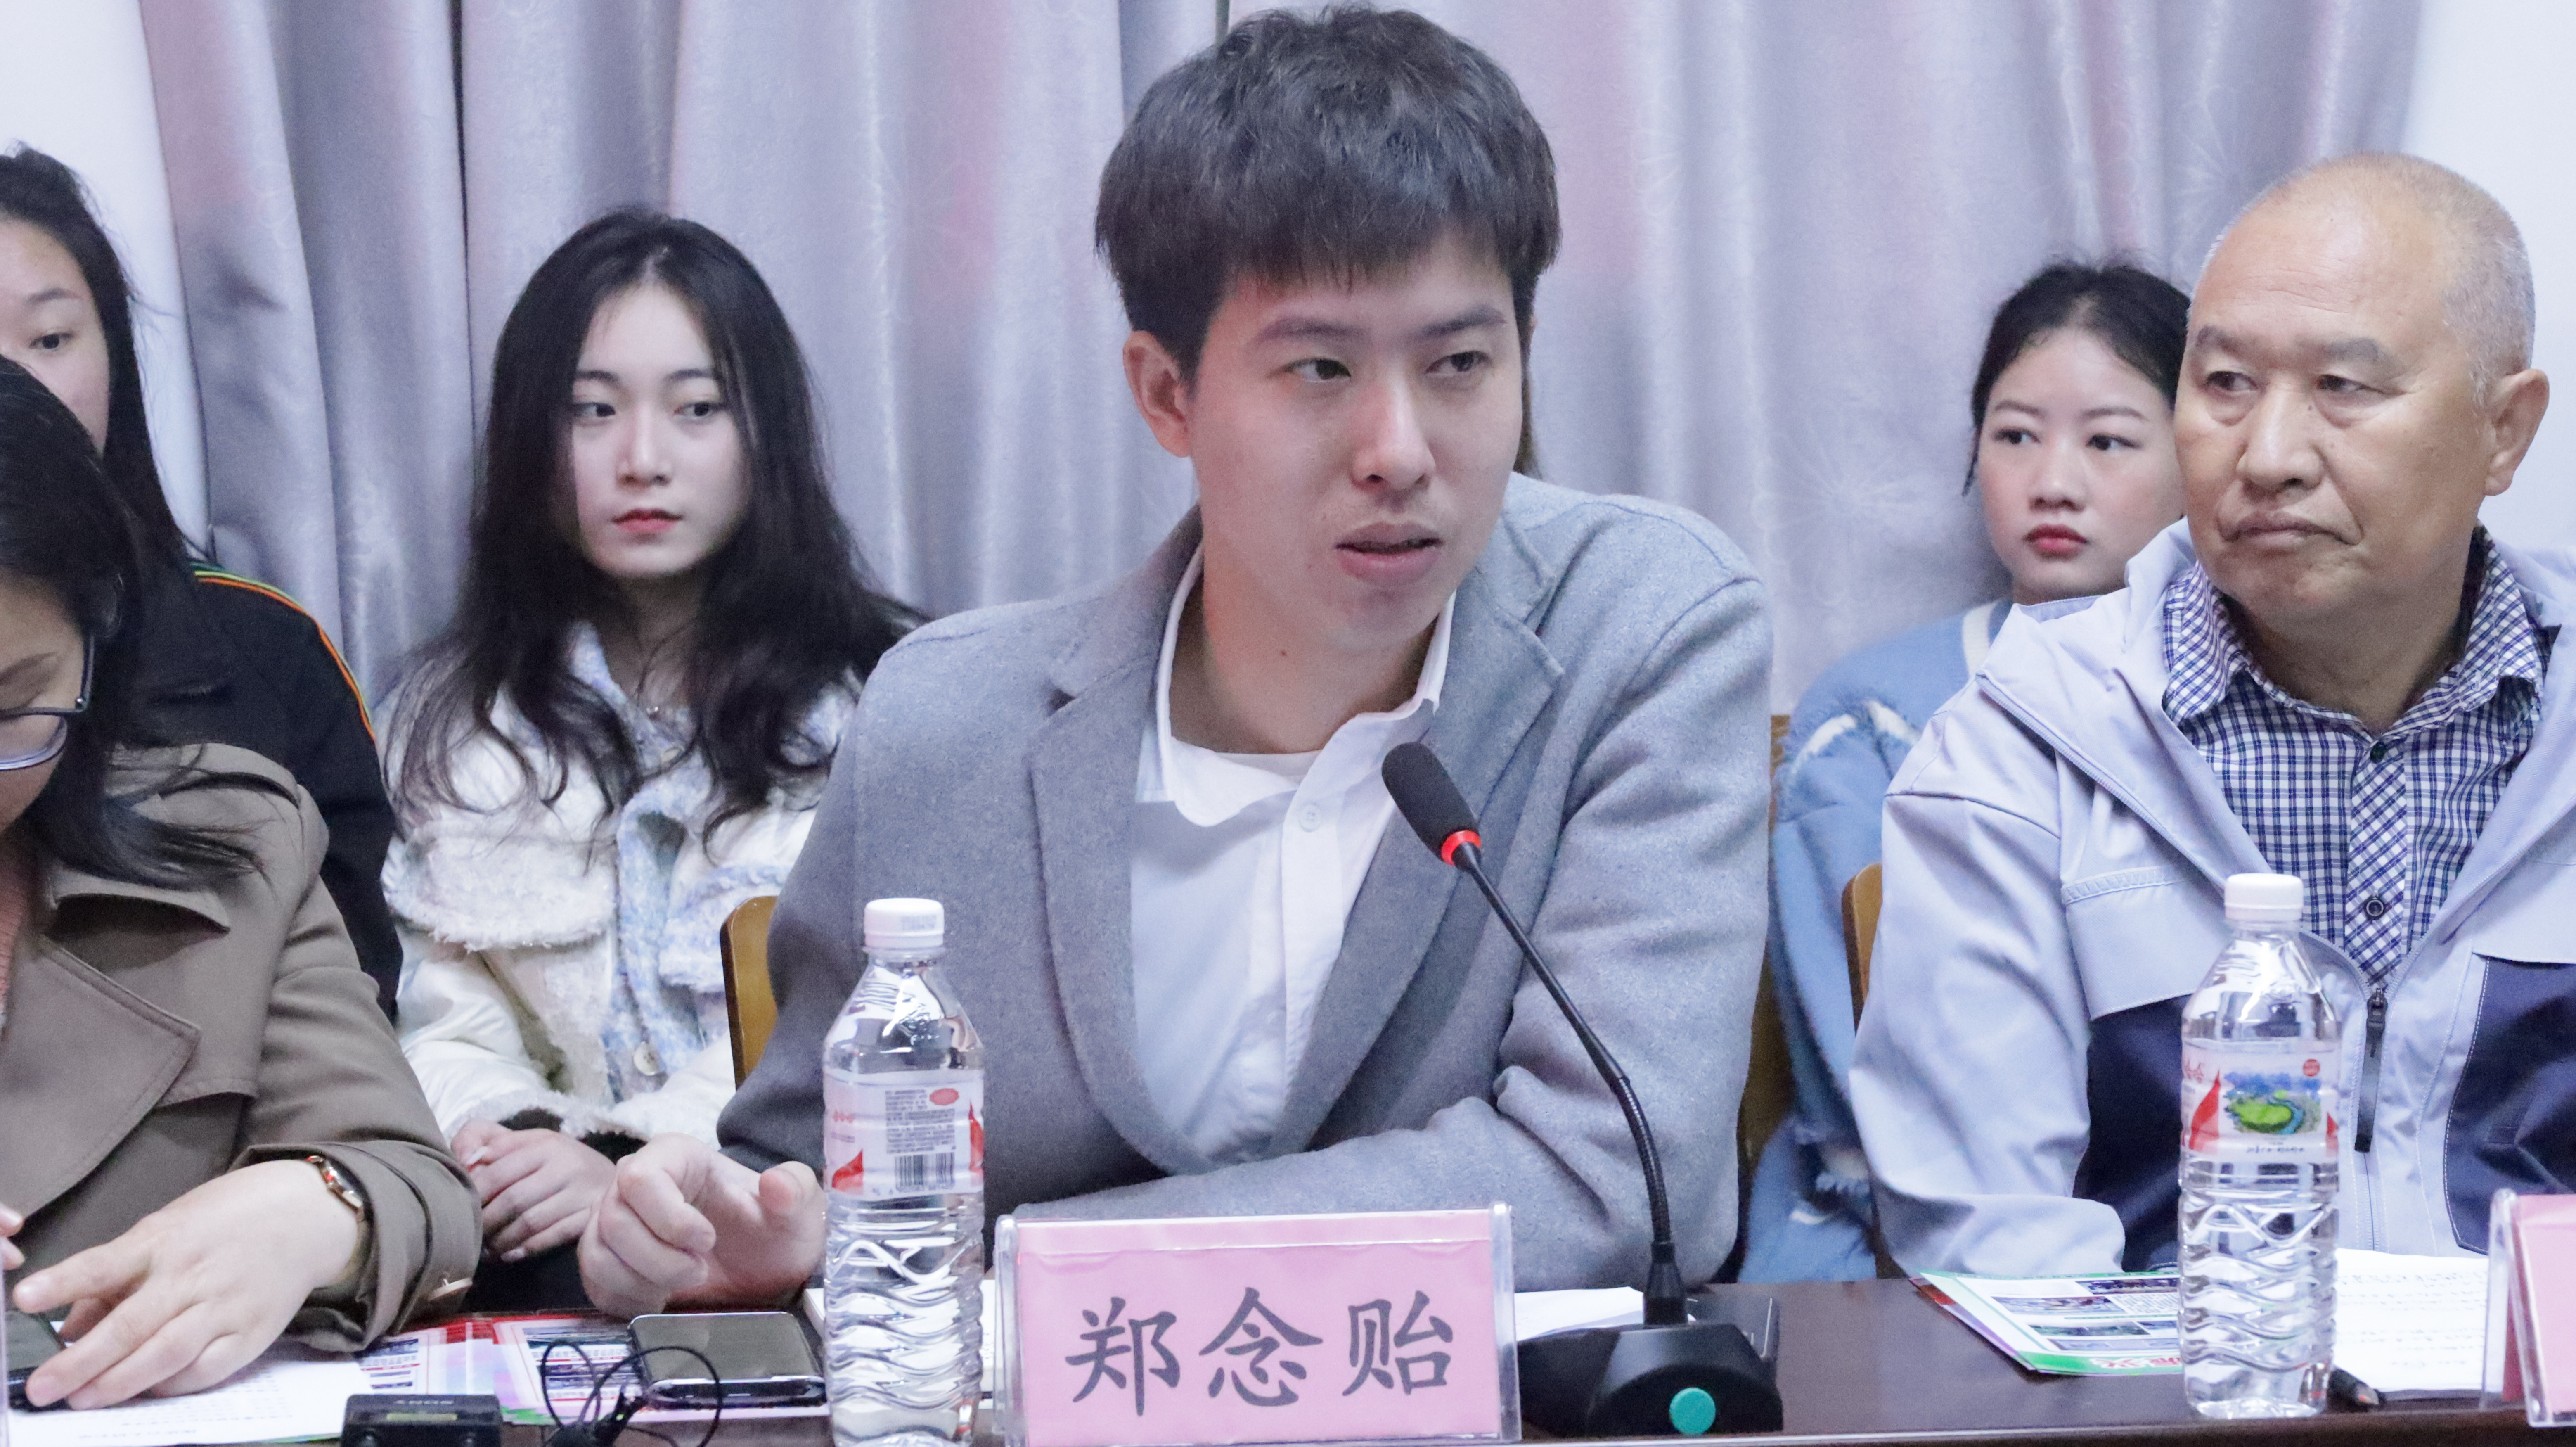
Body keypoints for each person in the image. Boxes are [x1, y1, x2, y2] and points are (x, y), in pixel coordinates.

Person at [576, 7, 1772, 1315]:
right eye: (1320, 368)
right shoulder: (945, 726)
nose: (1399, 450)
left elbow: (1615, 1182)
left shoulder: (1641, 632)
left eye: (1461, 364)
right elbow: (805, 1185)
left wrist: (1037, 1267)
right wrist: (723, 1239)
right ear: (1166, 394)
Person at [1850, 153, 2559, 1274]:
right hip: (2166, 1375)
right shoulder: (2018, 750)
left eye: (2345, 388)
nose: (2267, 458)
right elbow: (1989, 1242)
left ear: (2504, 431)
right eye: (2225, 384)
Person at [384, 211, 912, 1306]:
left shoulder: (886, 705)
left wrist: (629, 1163)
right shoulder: (445, 727)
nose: (642, 460)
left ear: (764, 432)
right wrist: (526, 1148)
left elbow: (860, 1021)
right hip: (535, 1272)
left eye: (696, 408)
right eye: (593, 410)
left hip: (820, 1260)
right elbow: (435, 1018)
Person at [0, 356, 476, 1407]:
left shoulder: (234, 842)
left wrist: (317, 1212)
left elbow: (419, 1187)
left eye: (10, 707)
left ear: (96, 644)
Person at [1745, 263, 2189, 1281]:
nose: (2054, 481)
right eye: (2015, 434)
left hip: (2184, 1241)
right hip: (1894, 1236)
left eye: (2108, 441)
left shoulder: (2242, 711)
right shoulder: (1868, 718)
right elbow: (1854, 1068)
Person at [0, 145, 402, 1015]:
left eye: (51, 339)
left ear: (114, 352)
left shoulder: (264, 646)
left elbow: (362, 981)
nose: (15, 385)